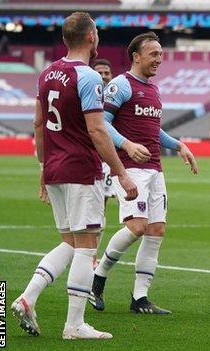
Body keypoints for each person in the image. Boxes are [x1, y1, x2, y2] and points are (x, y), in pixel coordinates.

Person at [11, 12, 137, 340]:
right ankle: (75, 325)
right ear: (91, 37)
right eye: (96, 32)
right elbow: (97, 130)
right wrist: (122, 174)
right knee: (86, 245)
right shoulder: (88, 77)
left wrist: (42, 167)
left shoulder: (47, 73)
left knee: (69, 241)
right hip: (81, 169)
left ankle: (28, 297)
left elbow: (38, 125)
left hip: (54, 168)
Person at [90, 31, 198, 314]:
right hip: (129, 167)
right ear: (136, 56)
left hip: (154, 169)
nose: (159, 60)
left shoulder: (153, 89)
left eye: (161, 55)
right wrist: (126, 143)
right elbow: (101, 123)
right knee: (137, 227)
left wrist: (178, 145)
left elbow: (153, 129)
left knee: (156, 230)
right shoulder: (120, 85)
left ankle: (140, 298)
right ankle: (98, 277)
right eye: (154, 54)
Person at [91, 58, 115, 269]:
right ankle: (90, 254)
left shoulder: (116, 97)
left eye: (107, 72)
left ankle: (91, 255)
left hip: (115, 158)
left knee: (102, 204)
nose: (104, 76)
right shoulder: (90, 96)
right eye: (99, 72)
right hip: (96, 157)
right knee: (98, 205)